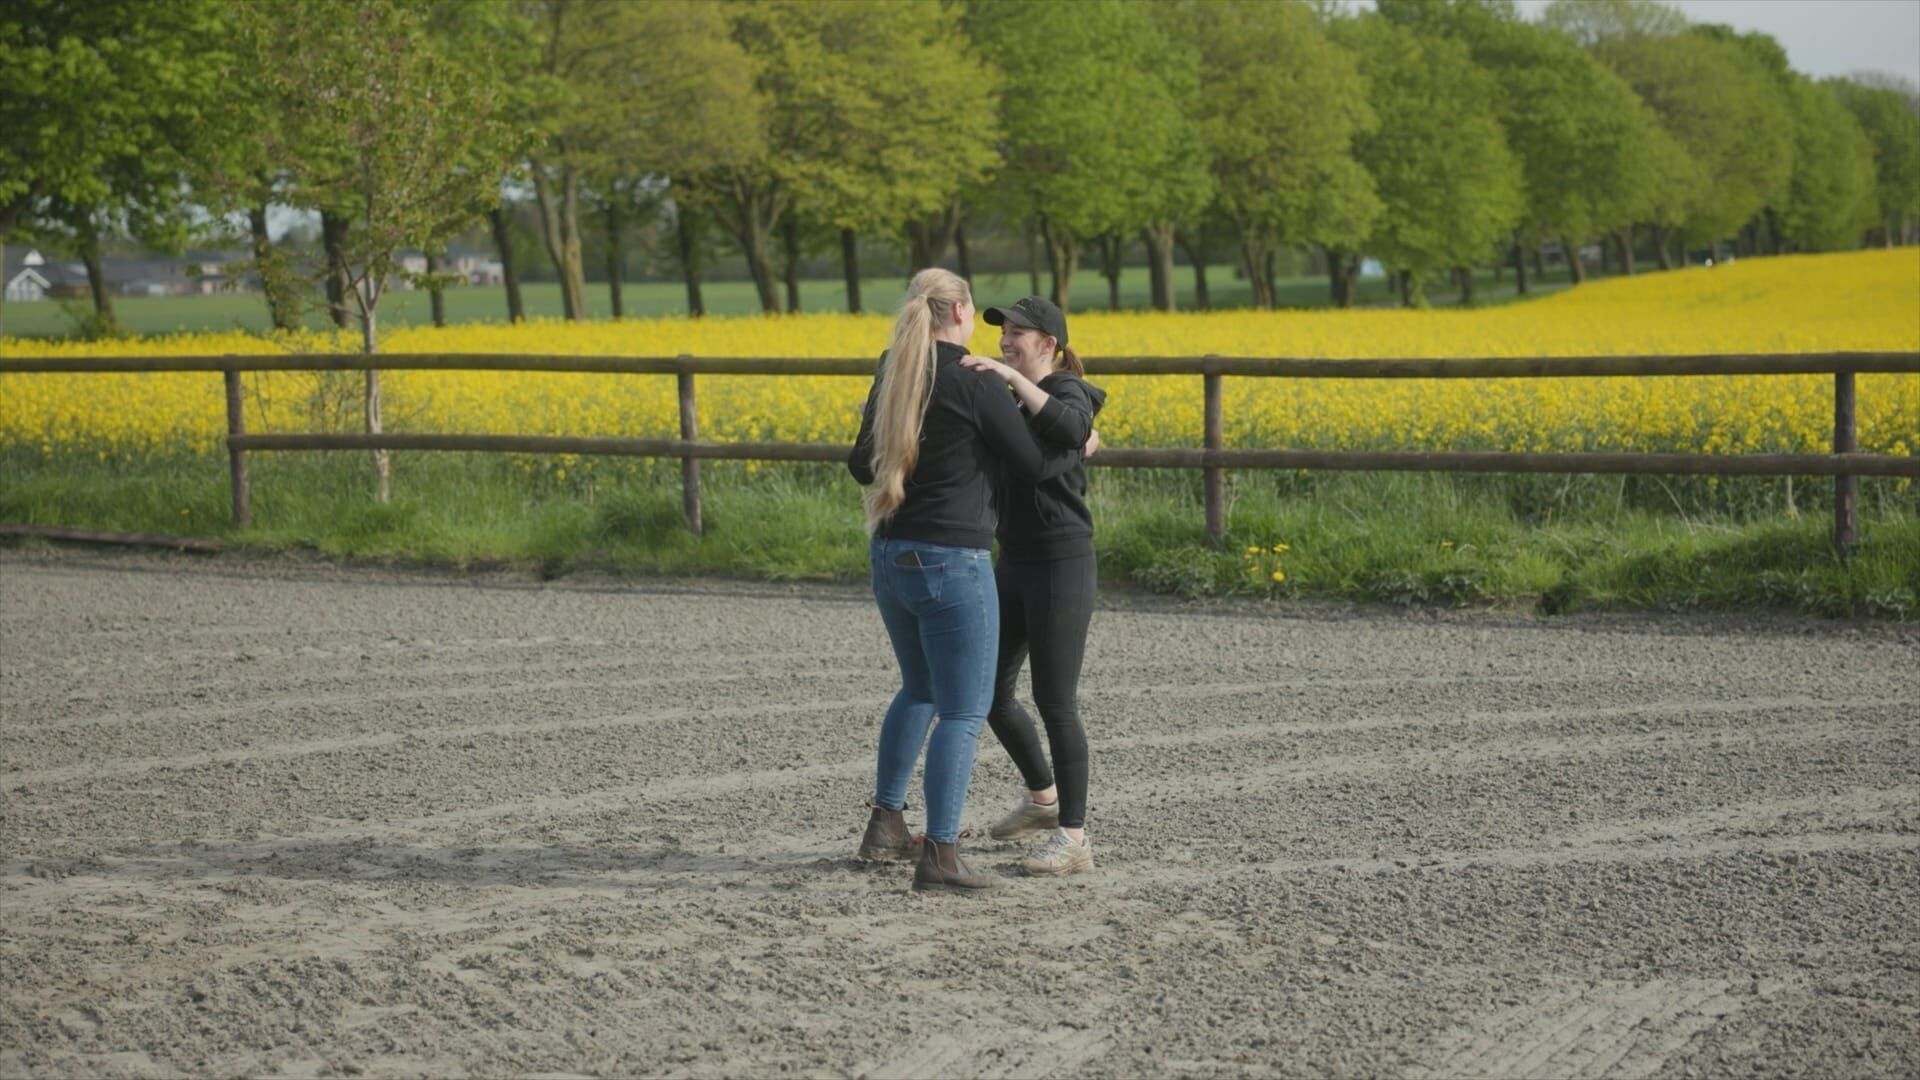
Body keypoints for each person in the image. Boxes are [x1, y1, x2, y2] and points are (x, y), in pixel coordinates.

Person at [846, 270, 1080, 895]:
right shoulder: (973, 380)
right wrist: (1079, 444)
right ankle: (942, 856)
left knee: (919, 689)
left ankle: (885, 824)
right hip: (951, 560)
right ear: (960, 313)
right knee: (963, 710)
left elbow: (859, 465)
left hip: (889, 552)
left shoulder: (893, 369)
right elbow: (1032, 465)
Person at [958, 296, 1105, 877]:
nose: (1004, 341)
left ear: (1049, 344)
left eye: (1017, 333)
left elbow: (1071, 427)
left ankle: (1074, 838)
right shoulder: (1012, 395)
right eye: (1003, 332)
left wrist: (1013, 380)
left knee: (1055, 700)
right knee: (989, 690)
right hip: (1014, 559)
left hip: (1062, 562)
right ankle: (1044, 799)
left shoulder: (1068, 390)